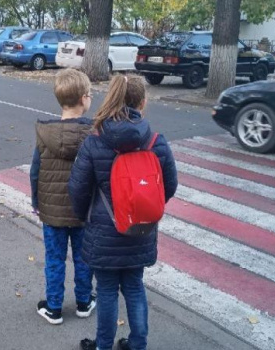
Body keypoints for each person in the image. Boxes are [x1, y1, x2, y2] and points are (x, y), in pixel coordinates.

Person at [68, 75, 178, 350]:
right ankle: (138, 343)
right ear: (142, 102)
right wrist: (144, 208)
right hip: (141, 230)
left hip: (104, 232)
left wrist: (86, 218)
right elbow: (170, 185)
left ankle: (103, 345)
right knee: (134, 287)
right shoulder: (156, 142)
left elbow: (78, 189)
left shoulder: (95, 142)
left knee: (105, 291)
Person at [29, 68, 96, 325]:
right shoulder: (93, 133)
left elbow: (36, 170)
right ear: (83, 99)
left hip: (53, 211)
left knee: (55, 258)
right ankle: (83, 301)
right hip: (85, 211)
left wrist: (37, 202)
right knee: (83, 257)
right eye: (90, 94)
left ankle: (54, 307)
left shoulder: (45, 133)